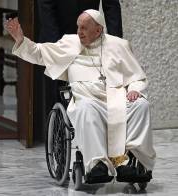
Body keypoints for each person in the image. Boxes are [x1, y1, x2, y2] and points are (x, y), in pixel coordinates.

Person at [6, 10, 156, 182]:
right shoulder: (69, 43)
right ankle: (97, 164)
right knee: (86, 108)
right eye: (78, 27)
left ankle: (130, 163)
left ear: (98, 30)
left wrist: (134, 89)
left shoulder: (118, 45)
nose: (79, 31)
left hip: (117, 98)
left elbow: (137, 76)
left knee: (141, 105)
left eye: (84, 28)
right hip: (87, 98)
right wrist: (20, 40)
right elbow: (40, 53)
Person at [34, 0, 123, 141]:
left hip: (90, 38)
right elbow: (46, 7)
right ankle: (57, 138)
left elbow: (111, 7)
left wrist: (116, 43)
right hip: (57, 36)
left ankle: (97, 138)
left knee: (95, 91)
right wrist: (59, 47)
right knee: (56, 93)